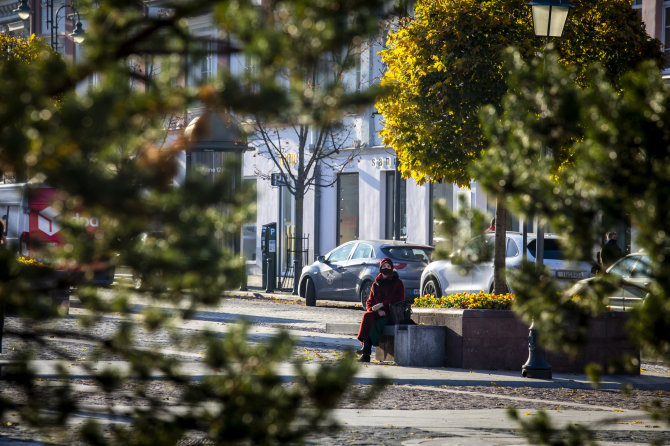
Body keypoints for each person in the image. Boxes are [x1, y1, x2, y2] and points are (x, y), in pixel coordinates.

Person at [356, 257, 405, 362]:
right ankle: (365, 351)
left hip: (392, 313)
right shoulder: (376, 283)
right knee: (368, 316)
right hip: (378, 313)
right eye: (384, 266)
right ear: (380, 268)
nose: (386, 268)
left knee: (371, 322)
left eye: (388, 266)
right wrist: (376, 310)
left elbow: (399, 299)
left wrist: (383, 305)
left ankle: (366, 353)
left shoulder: (397, 283)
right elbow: (369, 301)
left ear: (392, 268)